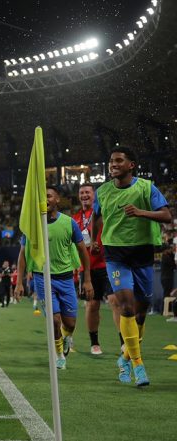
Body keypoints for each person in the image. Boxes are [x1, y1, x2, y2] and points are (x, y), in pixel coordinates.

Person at [92, 147, 172, 387]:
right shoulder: (103, 191)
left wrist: (140, 213)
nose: (113, 165)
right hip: (115, 253)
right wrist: (94, 240)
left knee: (140, 313)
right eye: (110, 161)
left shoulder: (146, 188)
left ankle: (125, 357)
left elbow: (167, 216)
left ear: (131, 165)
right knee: (126, 307)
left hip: (143, 252)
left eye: (118, 161)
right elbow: (97, 216)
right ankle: (138, 365)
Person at [16, 186, 94, 370]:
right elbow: (22, 254)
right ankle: (59, 355)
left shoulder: (69, 223)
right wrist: (19, 282)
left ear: (57, 199)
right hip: (42, 278)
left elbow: (83, 251)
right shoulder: (32, 226)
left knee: (70, 323)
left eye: (49, 196)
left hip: (66, 278)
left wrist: (87, 279)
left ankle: (66, 338)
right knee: (55, 320)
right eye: (42, 197)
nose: (45, 200)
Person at [72, 183, 112, 355]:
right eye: (82, 193)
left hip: (107, 263)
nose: (84, 195)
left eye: (88, 192)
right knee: (92, 304)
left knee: (116, 301)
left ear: (94, 195)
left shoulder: (103, 212)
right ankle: (94, 343)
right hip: (87, 268)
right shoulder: (74, 219)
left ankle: (124, 342)